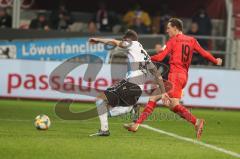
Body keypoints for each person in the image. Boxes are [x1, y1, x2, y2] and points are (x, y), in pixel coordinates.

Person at [124, 18, 222, 140]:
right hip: (184, 76)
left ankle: (196, 122)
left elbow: (160, 57)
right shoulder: (191, 40)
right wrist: (215, 60)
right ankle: (136, 124)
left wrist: (146, 58)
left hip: (175, 75)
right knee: (154, 97)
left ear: (175, 28)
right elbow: (204, 53)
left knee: (173, 105)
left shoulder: (173, 41)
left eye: (169, 28)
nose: (167, 30)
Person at [88, 29, 169, 136]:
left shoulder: (131, 44)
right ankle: (130, 108)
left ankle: (105, 129)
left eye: (123, 40)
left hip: (130, 84)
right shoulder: (145, 54)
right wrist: (163, 92)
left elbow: (114, 41)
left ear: (127, 39)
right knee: (116, 105)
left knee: (100, 100)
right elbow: (157, 74)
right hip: (138, 90)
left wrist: (98, 40)